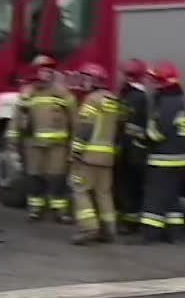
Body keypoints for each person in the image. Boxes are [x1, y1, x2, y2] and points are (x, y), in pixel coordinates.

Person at [8, 54, 75, 222]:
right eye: (44, 70)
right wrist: (13, 141)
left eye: (50, 71)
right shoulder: (28, 94)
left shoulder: (62, 93)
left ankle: (59, 210)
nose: (48, 74)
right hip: (33, 145)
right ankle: (36, 209)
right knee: (34, 177)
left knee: (57, 177)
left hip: (58, 145)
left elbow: (74, 119)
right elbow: (17, 118)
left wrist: (75, 143)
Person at [140, 60, 185, 243]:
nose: (152, 84)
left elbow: (157, 132)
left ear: (163, 82)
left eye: (155, 80)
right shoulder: (178, 100)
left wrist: (143, 137)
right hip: (178, 158)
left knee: (155, 197)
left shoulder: (165, 102)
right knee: (171, 198)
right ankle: (174, 233)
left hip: (163, 158)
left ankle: (150, 235)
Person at [69, 62, 120, 245]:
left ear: (95, 81)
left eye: (86, 78)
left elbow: (85, 128)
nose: (83, 82)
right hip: (107, 158)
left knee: (80, 190)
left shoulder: (91, 100)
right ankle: (109, 230)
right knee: (103, 193)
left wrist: (76, 151)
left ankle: (88, 228)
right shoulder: (112, 100)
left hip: (89, 157)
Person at [114, 58, 151, 233]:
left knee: (130, 188)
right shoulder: (136, 95)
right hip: (134, 150)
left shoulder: (134, 97)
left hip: (131, 152)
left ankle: (130, 223)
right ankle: (129, 220)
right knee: (131, 187)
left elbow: (128, 125)